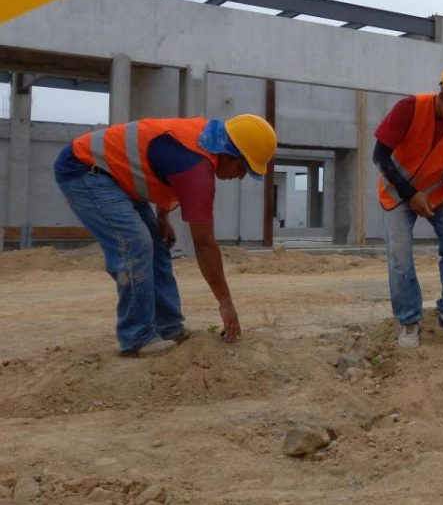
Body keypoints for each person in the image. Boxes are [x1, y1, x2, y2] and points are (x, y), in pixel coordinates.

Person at [54, 114, 277, 356]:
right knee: (135, 245)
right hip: (85, 169)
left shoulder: (205, 140)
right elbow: (203, 243)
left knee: (157, 244)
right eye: (243, 167)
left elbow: (164, 166)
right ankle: (137, 339)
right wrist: (225, 302)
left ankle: (169, 327)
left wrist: (162, 217)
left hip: (116, 176)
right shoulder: (196, 166)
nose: (241, 176)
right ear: (230, 153)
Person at [373, 62, 443, 349]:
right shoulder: (409, 109)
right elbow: (380, 156)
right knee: (400, 257)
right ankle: (409, 321)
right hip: (398, 191)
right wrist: (411, 193)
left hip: (438, 192)